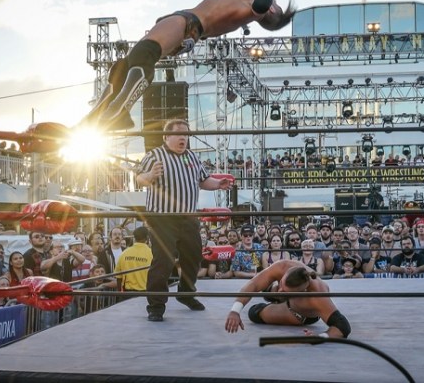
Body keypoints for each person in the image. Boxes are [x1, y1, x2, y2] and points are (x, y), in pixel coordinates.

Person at [84, 0, 295, 130]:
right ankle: (96, 116)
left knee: (144, 55)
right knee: (125, 65)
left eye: (275, 3)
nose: (273, 1)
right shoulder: (241, 6)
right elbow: (215, 15)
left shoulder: (253, 9)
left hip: (187, 24)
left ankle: (118, 111)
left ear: (271, 9)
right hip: (187, 23)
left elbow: (263, 1)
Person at [135, 119, 232, 321]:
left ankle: (186, 293)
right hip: (163, 218)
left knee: (194, 256)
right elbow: (139, 179)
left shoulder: (192, 156)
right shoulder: (155, 155)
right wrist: (151, 175)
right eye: (179, 133)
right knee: (163, 260)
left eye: (186, 134)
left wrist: (218, 184)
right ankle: (156, 305)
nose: (184, 138)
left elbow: (204, 180)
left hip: (188, 217)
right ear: (166, 137)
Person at [225, 260, 351, 338]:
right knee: (269, 289)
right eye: (281, 284)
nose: (281, 290)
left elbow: (342, 326)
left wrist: (321, 337)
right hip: (287, 295)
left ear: (302, 291)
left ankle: (277, 298)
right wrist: (235, 310)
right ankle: (274, 291)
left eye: (285, 291)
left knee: (254, 313)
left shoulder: (317, 296)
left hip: (299, 312)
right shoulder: (283, 266)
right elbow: (254, 284)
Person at [115, 226, 153, 292]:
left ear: (134, 238)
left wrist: (119, 294)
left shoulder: (124, 253)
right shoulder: (151, 254)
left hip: (127, 293)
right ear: (147, 237)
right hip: (145, 293)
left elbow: (118, 277)